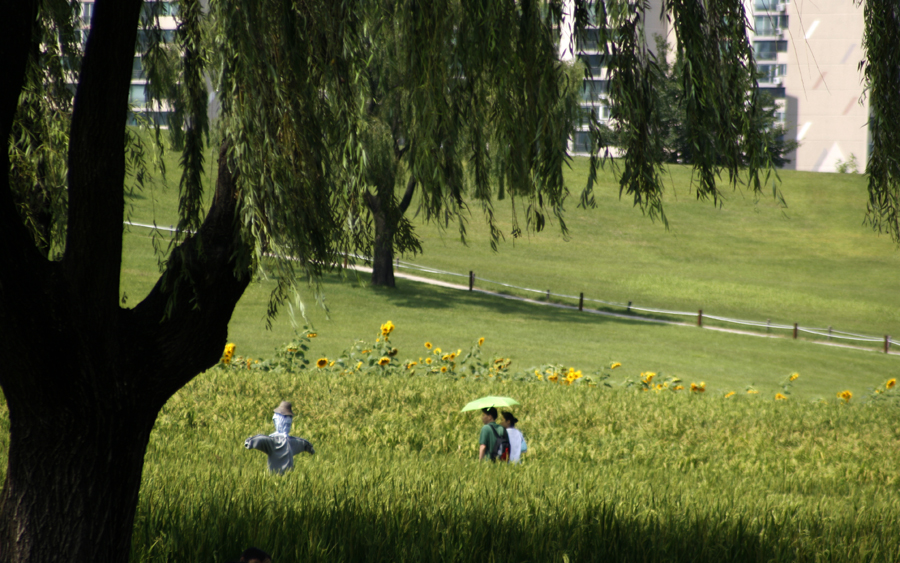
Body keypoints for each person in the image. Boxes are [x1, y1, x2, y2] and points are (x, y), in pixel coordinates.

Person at [245, 401, 315, 473]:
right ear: (277, 420)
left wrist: (309, 447)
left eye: (289, 417)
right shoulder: (273, 441)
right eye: (285, 416)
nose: (287, 419)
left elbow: (300, 443)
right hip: (275, 476)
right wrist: (250, 442)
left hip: (288, 477)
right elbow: (262, 439)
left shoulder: (290, 441)